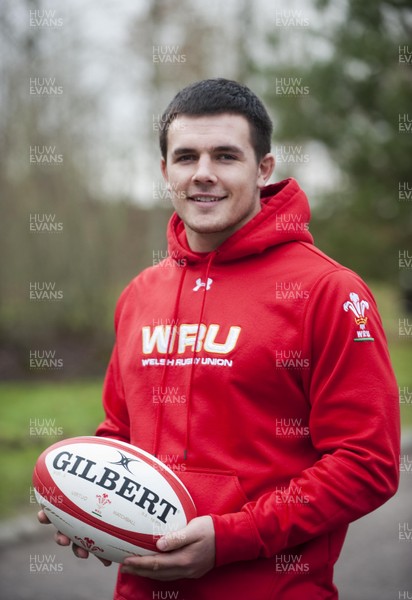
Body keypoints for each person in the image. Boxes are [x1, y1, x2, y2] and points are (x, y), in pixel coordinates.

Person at [39, 78, 400, 599]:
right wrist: (81, 501)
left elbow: (367, 464)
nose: (203, 174)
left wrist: (234, 537)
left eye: (226, 156)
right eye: (186, 157)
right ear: (166, 172)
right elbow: (121, 432)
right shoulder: (140, 294)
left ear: (263, 169)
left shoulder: (329, 292)